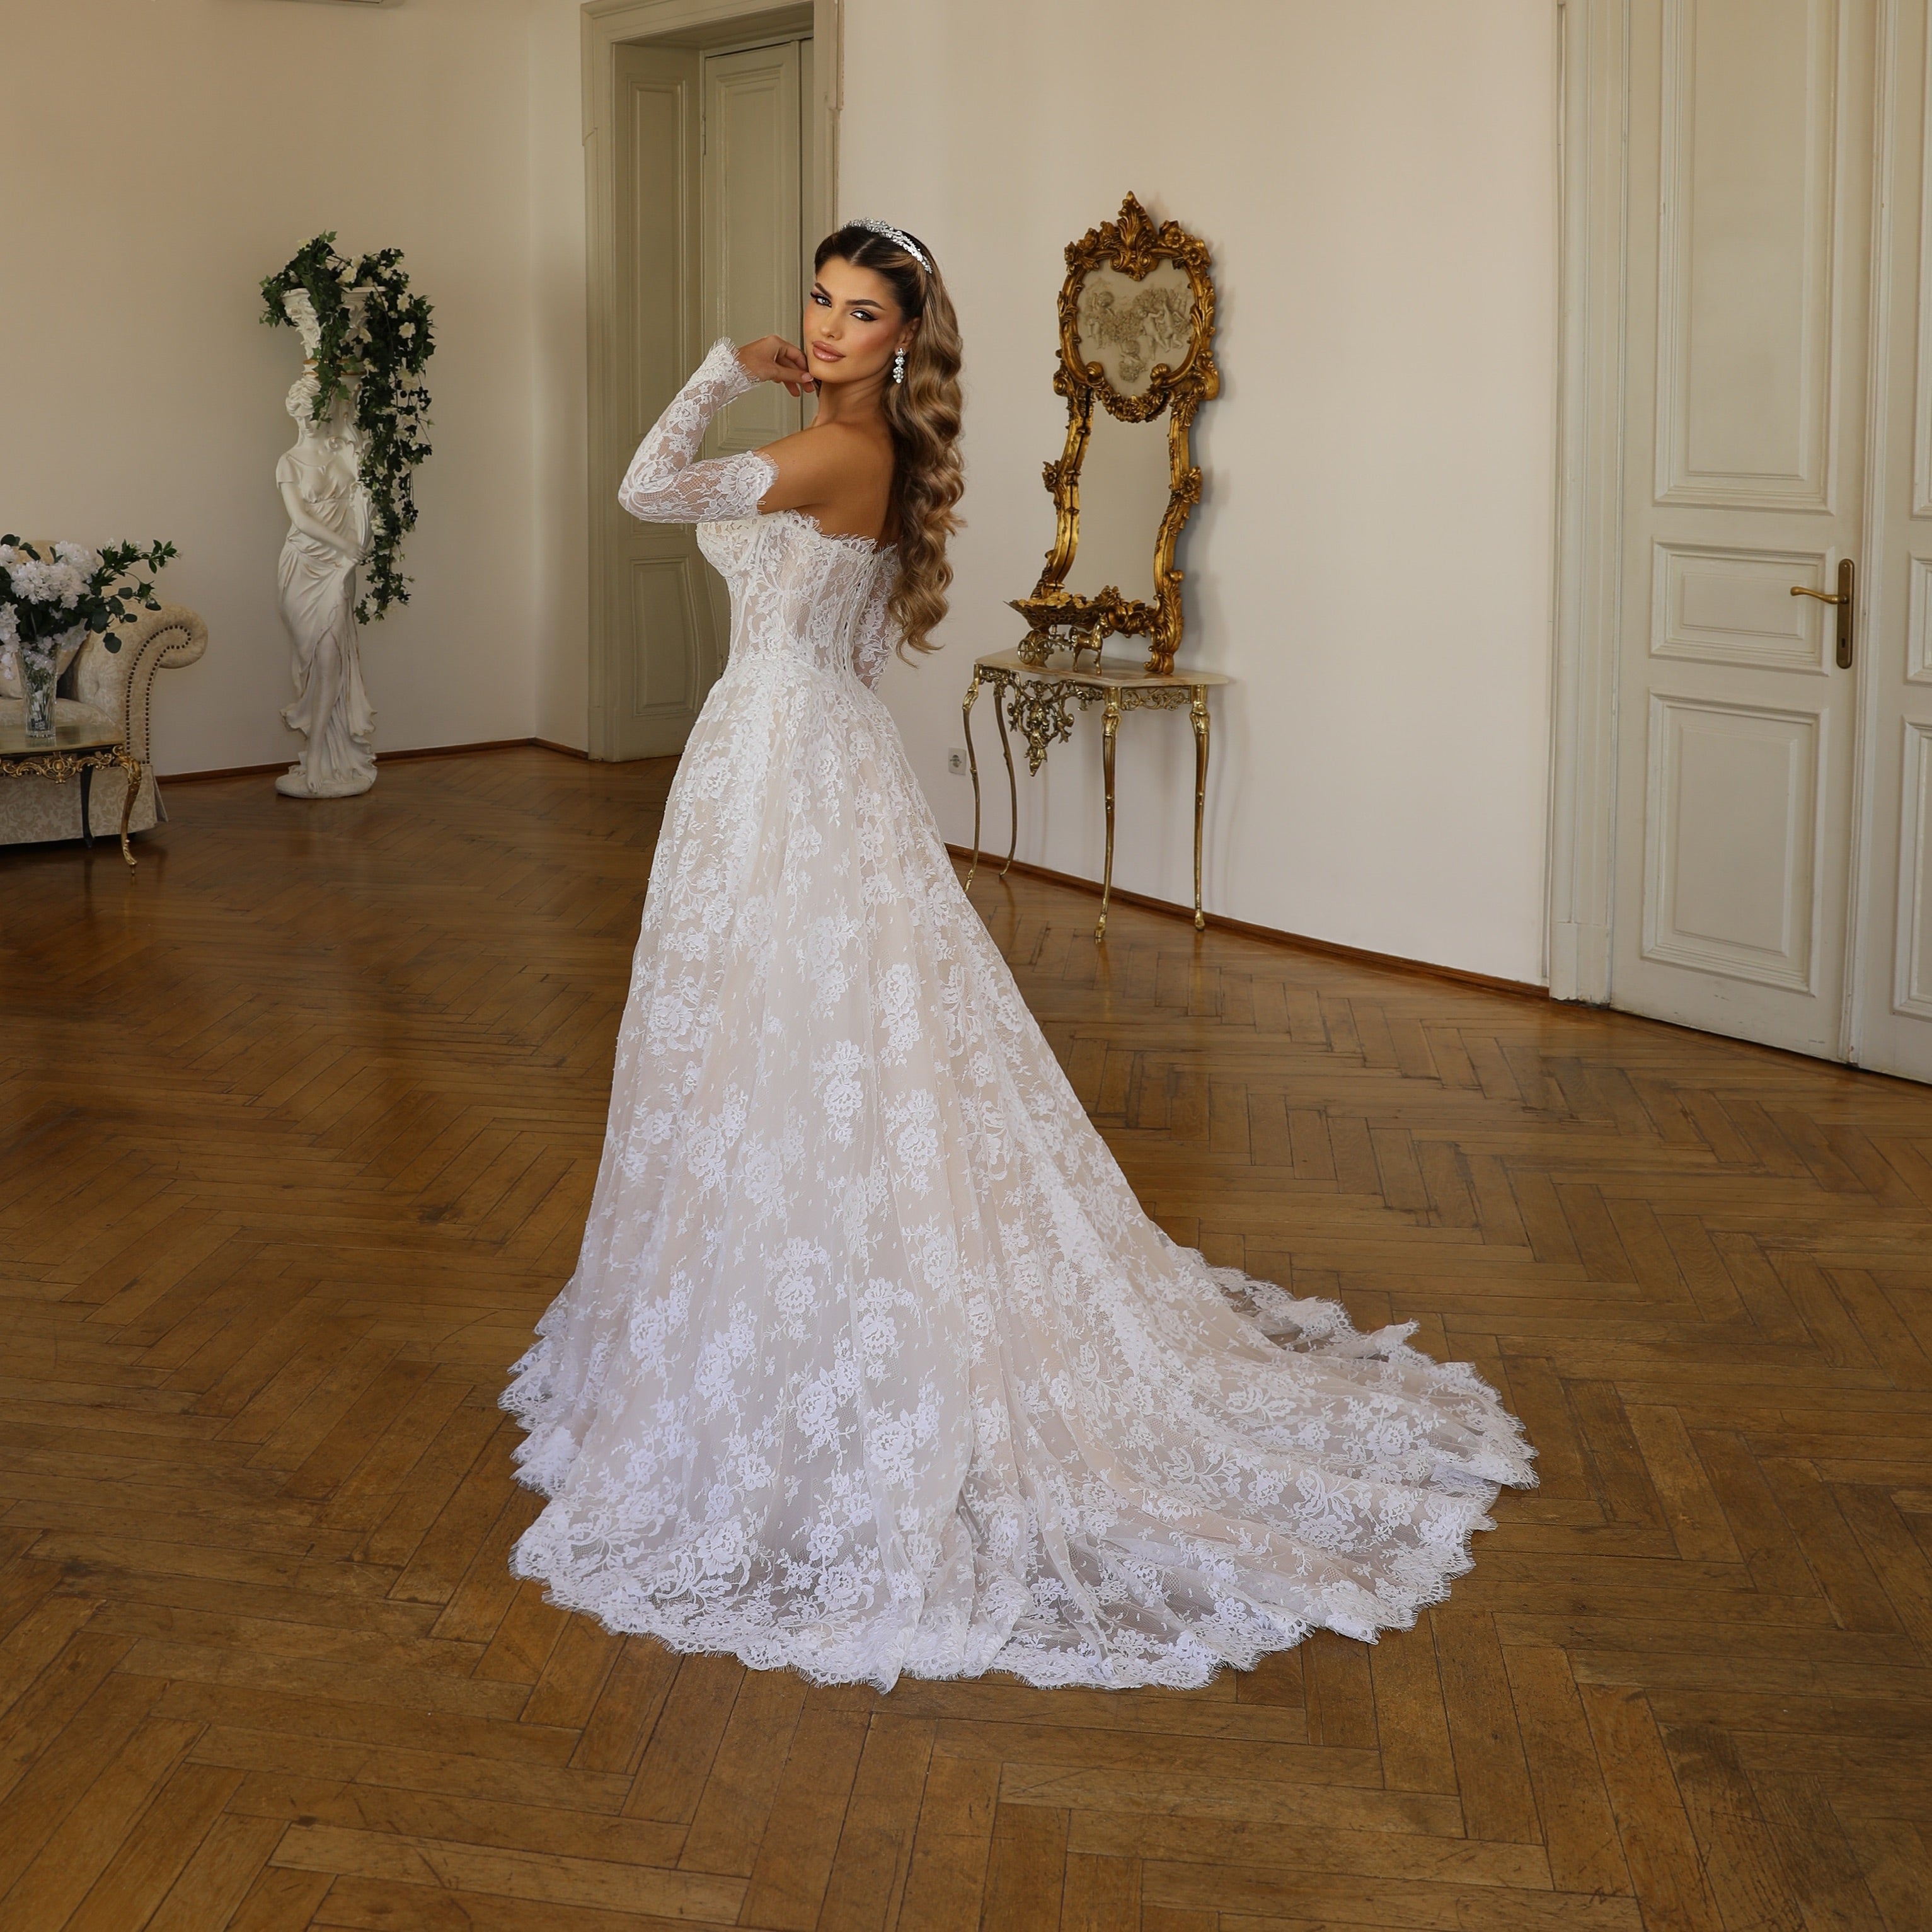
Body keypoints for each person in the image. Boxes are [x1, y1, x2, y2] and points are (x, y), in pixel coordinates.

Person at [503, 219, 1534, 1691]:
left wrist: (722, 369)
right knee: (805, 1038)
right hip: (802, 751)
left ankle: (826, 1323)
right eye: (818, 301)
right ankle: (800, 1292)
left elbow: (644, 492)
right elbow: (858, 653)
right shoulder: (881, 456)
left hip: (778, 757)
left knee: (791, 1030)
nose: (829, 327)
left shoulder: (830, 452)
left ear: (904, 340)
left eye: (862, 313)